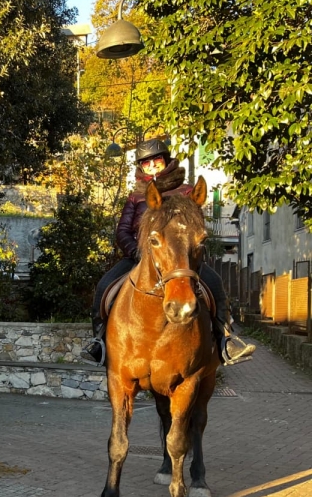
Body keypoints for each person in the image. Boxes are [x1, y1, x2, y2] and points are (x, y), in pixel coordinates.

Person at [80, 138, 255, 367]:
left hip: (181, 260)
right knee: (104, 286)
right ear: (141, 166)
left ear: (166, 160)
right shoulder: (136, 196)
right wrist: (137, 251)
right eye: (146, 163)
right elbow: (122, 230)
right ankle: (99, 343)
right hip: (140, 256)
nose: (152, 166)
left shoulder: (186, 191)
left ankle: (225, 341)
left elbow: (195, 227)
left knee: (216, 284)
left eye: (156, 160)